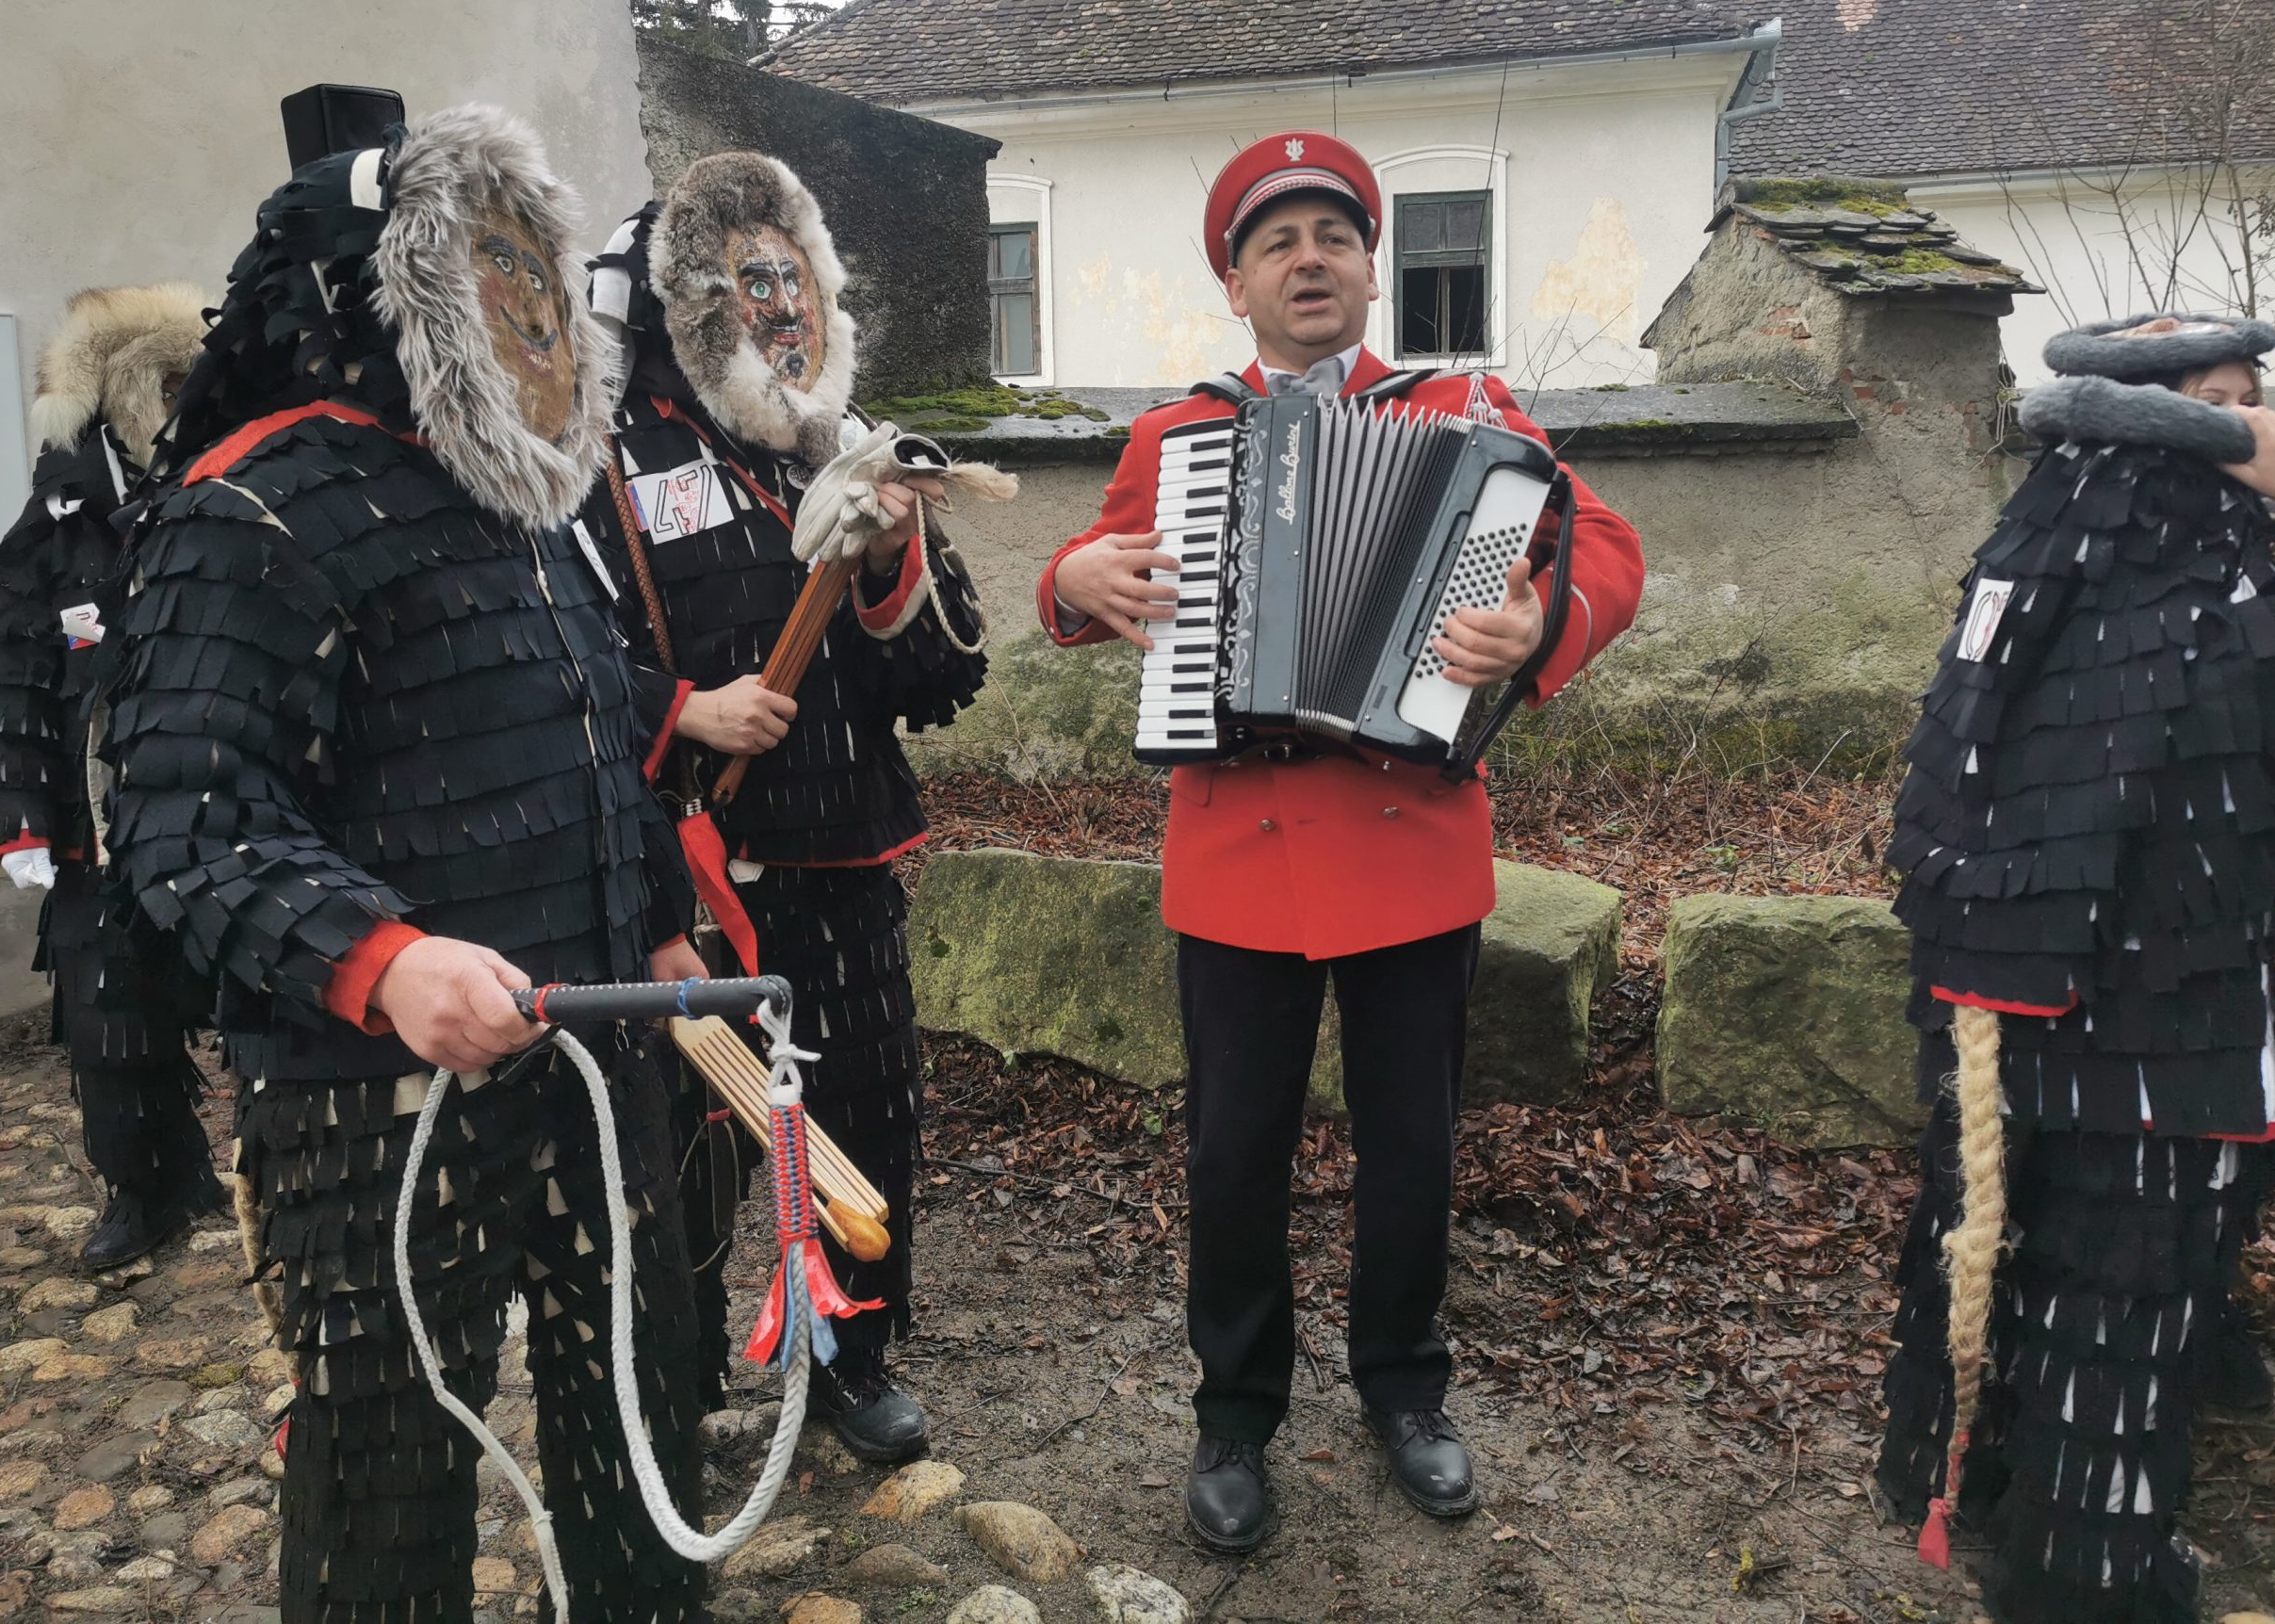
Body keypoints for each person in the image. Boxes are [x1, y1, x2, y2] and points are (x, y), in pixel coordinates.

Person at [99, 105, 711, 1623]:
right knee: (388, 1461)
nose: (531, 312)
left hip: (595, 1046)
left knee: (640, 1396)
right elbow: (184, 821)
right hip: (371, 1102)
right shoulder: (249, 504)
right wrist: (382, 961)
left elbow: (593, 740)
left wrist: (662, 923)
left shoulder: (522, 499)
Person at [1036, 132, 1647, 1551]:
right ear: (1236, 285)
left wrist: (1538, 625)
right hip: (1234, 850)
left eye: (1334, 238)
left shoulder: (1465, 410)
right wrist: (1070, 576)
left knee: (1411, 1149)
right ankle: (1234, 1414)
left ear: (1373, 270)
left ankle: (1405, 1393)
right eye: (1277, 243)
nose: (1308, 262)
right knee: (1232, 1155)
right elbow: (1088, 582)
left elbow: (1604, 548)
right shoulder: (1174, 438)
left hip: (1408, 842)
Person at [1877, 313, 2275, 1624]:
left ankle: (1972, 1481)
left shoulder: (2040, 540)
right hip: (2156, 1006)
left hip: (2014, 981)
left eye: (2256, 396)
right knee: (2125, 1280)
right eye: (2226, 401)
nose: (2260, 420)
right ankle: (2086, 1575)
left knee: (2014, 1233)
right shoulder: (2209, 566)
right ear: (2175, 425)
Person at [577, 151, 994, 1462]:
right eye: (745, 283)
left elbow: (943, 674)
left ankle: (849, 1356)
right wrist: (679, 711)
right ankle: (680, 1376)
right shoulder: (603, 458)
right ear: (686, 305)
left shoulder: (850, 450)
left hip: (843, 852)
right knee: (692, 1140)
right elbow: (552, 660)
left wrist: (891, 559)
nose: (777, 305)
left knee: (865, 1115)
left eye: (788, 276)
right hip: (683, 872)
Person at [0, 283, 229, 1270]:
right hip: (100, 813)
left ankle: (300, 1178)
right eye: (162, 382)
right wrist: (19, 811)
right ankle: (149, 1187)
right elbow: (18, 665)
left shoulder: (237, 484)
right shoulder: (62, 514)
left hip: (231, 800)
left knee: (273, 1000)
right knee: (109, 1017)